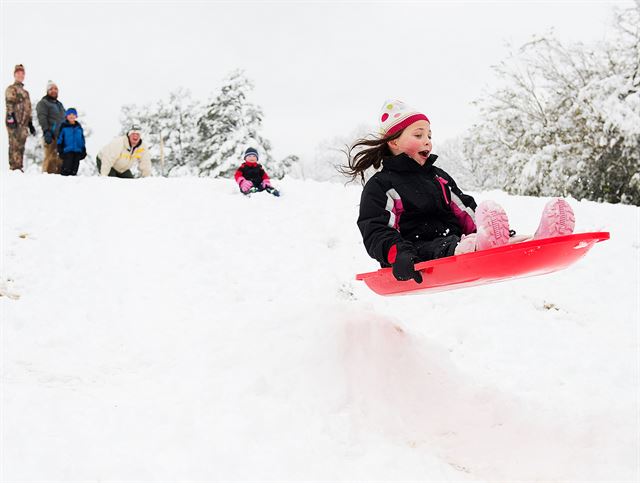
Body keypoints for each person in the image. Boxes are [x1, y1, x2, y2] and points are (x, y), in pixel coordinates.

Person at [344, 100, 575, 283]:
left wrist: (484, 228)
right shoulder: (382, 185)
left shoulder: (438, 177)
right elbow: (376, 230)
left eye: (429, 135)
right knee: (446, 246)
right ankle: (479, 245)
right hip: (414, 252)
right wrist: (398, 254)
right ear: (393, 142)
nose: (427, 141)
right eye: (418, 135)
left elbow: (464, 210)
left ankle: (539, 238)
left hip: (454, 240)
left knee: (466, 239)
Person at [5, 64, 36, 171]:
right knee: (14, 145)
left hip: (24, 124)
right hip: (14, 121)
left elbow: (28, 108)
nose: (20, 75)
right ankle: (14, 167)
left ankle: (19, 167)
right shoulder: (11, 88)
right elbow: (9, 103)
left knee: (21, 146)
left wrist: (30, 124)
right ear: (14, 75)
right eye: (18, 73)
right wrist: (10, 117)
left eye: (22, 73)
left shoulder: (26, 93)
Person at [36, 80, 66, 174]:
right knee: (50, 159)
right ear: (47, 91)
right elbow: (42, 117)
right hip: (50, 135)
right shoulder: (43, 103)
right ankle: (46, 177)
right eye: (51, 89)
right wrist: (46, 131)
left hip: (60, 137)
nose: (54, 91)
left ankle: (58, 181)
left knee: (60, 160)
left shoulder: (59, 105)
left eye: (55, 89)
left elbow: (64, 119)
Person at [56, 108, 86, 176]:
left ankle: (73, 182)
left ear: (76, 116)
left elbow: (82, 139)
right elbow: (60, 138)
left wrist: (83, 149)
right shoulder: (64, 127)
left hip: (77, 150)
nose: (71, 116)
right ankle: (64, 179)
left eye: (73, 114)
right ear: (66, 116)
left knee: (75, 168)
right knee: (67, 167)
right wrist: (60, 149)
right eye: (69, 114)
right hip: (67, 151)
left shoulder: (78, 127)